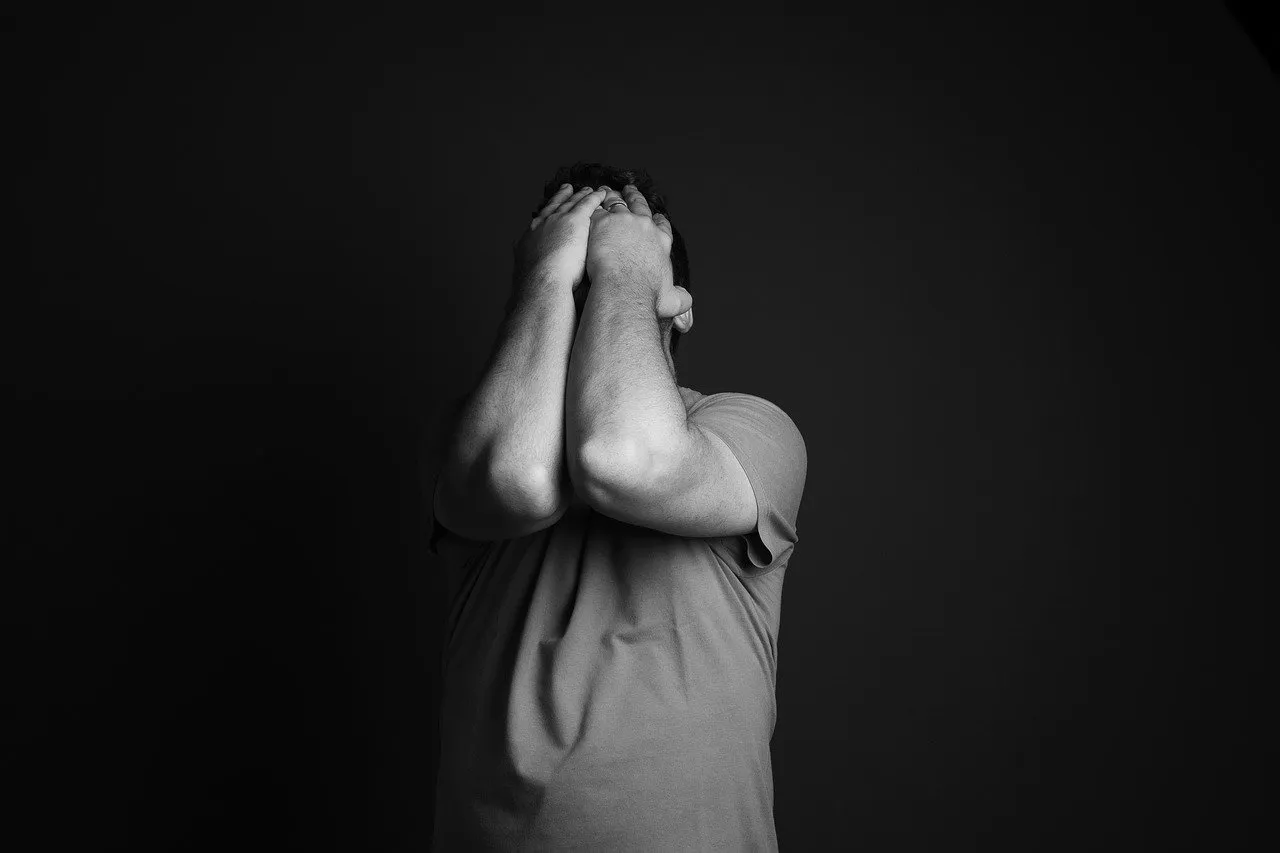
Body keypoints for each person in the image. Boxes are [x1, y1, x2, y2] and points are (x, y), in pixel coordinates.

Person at [427, 162, 808, 851]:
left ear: (680, 304)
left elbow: (623, 457)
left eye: (612, 269)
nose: (591, 288)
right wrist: (548, 278)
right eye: (576, 273)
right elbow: (519, 479)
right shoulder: (478, 436)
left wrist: (624, 270)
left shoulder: (748, 430)